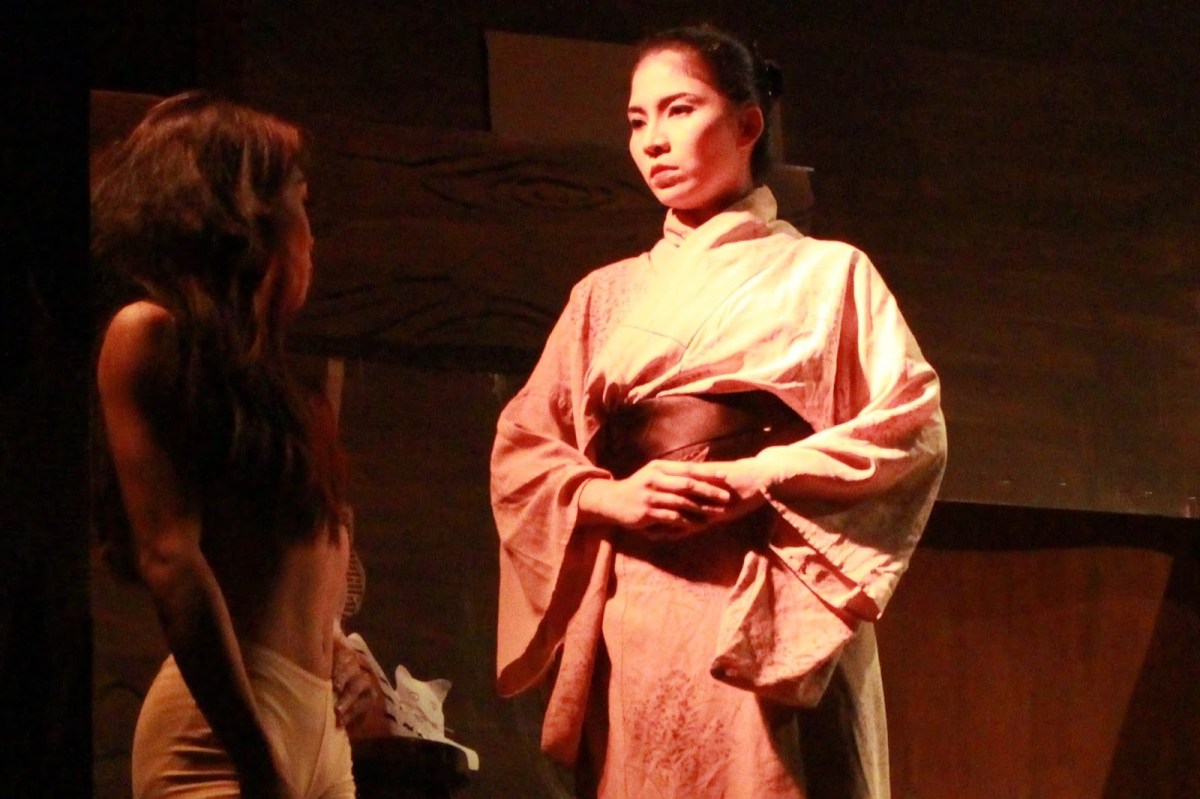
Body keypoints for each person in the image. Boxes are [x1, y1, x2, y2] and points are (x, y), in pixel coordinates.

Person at [489, 25, 948, 799]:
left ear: (747, 124)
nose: (653, 141)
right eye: (637, 121)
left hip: (770, 594)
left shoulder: (828, 274)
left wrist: (760, 475)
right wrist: (605, 495)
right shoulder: (603, 295)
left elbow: (910, 427)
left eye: (679, 110)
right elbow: (523, 446)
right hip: (638, 601)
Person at [92, 92, 377, 799]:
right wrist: (256, 756)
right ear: (241, 216)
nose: (311, 233)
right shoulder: (148, 334)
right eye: (299, 202)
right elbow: (170, 556)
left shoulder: (278, 387)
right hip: (219, 740)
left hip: (318, 735)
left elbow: (294, 569)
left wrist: (340, 654)